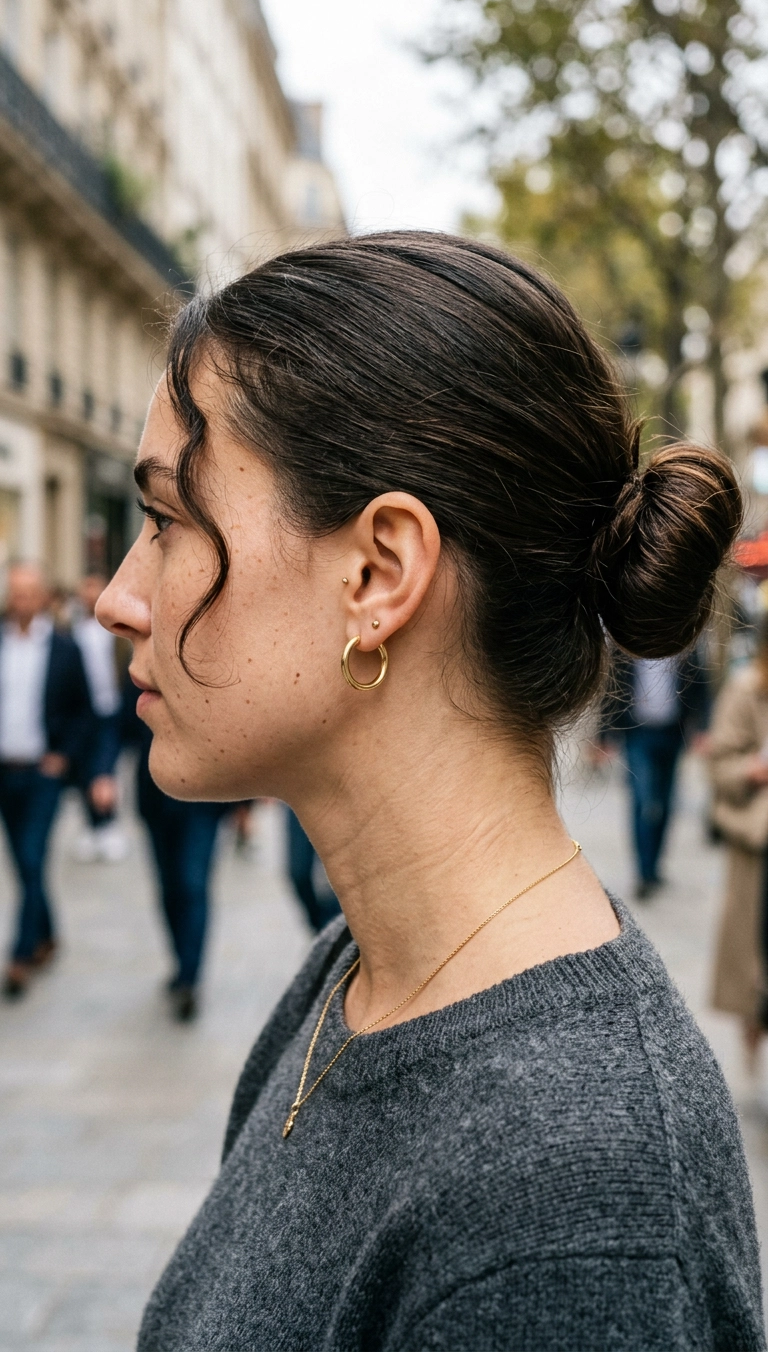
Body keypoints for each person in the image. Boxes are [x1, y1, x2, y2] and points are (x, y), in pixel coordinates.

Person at [97, 233, 762, 1349]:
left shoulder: (569, 1207)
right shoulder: (359, 975)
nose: (120, 596)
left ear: (378, 573)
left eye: (167, 521)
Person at [0, 563, 93, 997]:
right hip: (5, 772)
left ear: (41, 598)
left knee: (33, 858)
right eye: (13, 593)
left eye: (27, 594)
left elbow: (83, 711)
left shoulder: (63, 648)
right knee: (24, 862)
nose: (20, 602)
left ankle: (20, 956)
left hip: (42, 774)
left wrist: (63, 756)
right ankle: (48, 933)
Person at [121, 678, 229, 1021]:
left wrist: (247, 802)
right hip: (156, 799)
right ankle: (182, 961)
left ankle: (189, 978)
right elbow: (120, 724)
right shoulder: (141, 668)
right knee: (169, 888)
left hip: (204, 800)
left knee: (192, 884)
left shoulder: (210, 667)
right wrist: (98, 773)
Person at [605, 648, 710, 898]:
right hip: (637, 733)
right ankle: (642, 872)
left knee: (666, 802)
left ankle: (653, 868)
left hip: (673, 733)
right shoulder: (626, 645)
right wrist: (604, 735)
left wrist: (703, 728)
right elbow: (611, 688)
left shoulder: (685, 644)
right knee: (642, 800)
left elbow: (701, 687)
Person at [709, 624, 768, 1066]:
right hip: (759, 841)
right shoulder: (747, 689)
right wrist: (755, 769)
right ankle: (755, 1022)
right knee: (756, 949)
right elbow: (720, 766)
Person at [72, 572, 130, 861]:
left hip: (111, 711)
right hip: (85, 713)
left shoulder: (117, 632)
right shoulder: (72, 631)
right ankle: (94, 824)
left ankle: (109, 824)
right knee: (87, 772)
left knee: (105, 769)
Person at [287, 808, 340, 931]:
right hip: (296, 799)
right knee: (298, 873)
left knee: (339, 873)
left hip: (336, 800)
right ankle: (321, 928)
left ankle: (335, 927)